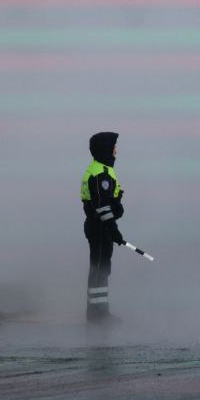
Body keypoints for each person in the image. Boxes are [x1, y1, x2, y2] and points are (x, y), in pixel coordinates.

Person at [81, 131, 126, 321]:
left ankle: (99, 310)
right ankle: (97, 314)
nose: (116, 150)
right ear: (106, 149)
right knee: (99, 269)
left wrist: (116, 199)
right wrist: (113, 229)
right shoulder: (101, 174)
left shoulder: (100, 169)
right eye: (114, 146)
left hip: (100, 228)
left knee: (102, 268)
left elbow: (103, 201)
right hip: (100, 229)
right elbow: (101, 206)